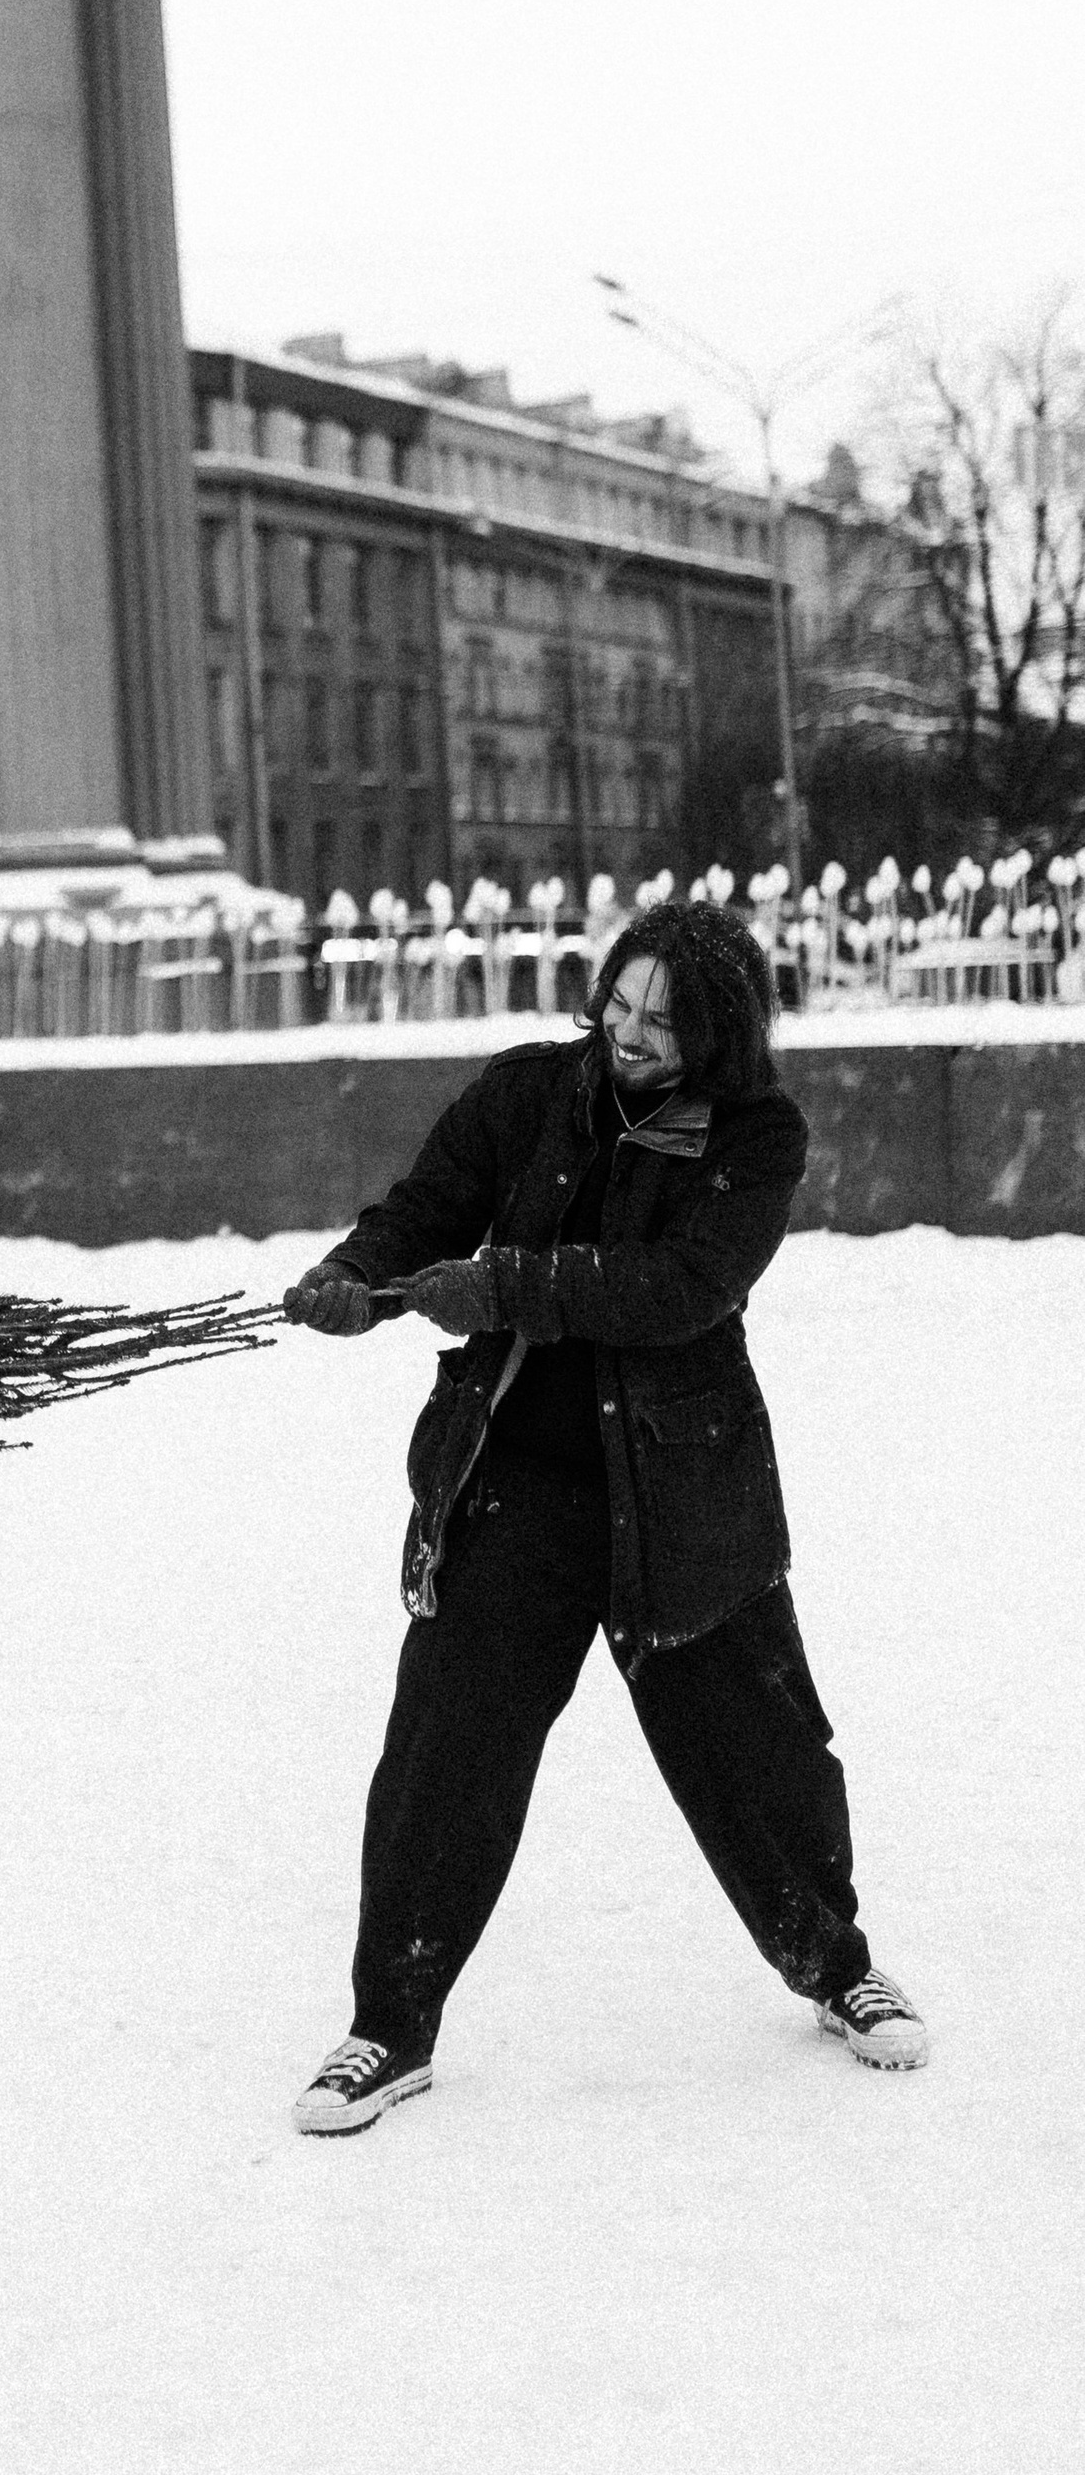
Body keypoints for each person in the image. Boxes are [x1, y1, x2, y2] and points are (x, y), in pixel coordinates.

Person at [279, 896, 926, 2136]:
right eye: (620, 1004)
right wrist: (359, 1273)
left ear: (717, 1038)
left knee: (758, 1747)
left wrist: (508, 1285)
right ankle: (387, 2027)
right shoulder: (527, 1094)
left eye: (661, 1023)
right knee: (442, 1752)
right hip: (513, 1484)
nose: (627, 1033)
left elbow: (686, 1286)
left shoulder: (756, 1134)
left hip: (682, 1491)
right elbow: (430, 1204)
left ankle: (835, 1968)